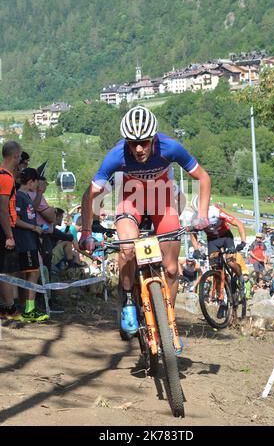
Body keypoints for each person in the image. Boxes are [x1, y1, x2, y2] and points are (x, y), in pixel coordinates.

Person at [80, 105, 211, 346]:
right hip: (131, 202)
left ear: (153, 138)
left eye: (144, 142)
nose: (138, 148)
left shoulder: (169, 147)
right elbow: (91, 194)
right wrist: (86, 232)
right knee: (128, 249)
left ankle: (167, 320)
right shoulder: (117, 155)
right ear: (125, 141)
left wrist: (202, 215)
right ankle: (129, 300)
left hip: (163, 202)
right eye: (132, 143)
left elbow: (203, 177)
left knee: (172, 269)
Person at [191, 197, 247, 318]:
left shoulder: (215, 211)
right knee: (216, 270)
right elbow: (193, 234)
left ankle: (240, 277)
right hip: (212, 241)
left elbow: (238, 223)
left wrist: (242, 242)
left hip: (226, 237)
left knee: (231, 262)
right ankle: (223, 301)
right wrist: (196, 249)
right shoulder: (194, 218)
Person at [14, 168, 49, 322]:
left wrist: (40, 193)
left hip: (31, 241)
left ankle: (29, 307)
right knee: (31, 273)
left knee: (32, 272)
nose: (37, 186)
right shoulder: (19, 197)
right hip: (24, 241)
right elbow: (15, 219)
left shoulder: (26, 196)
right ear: (30, 182)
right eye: (36, 183)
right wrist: (34, 228)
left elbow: (32, 209)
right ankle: (28, 309)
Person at [0, 141, 22, 320]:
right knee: (6, 271)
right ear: (14, 156)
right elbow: (2, 208)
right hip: (4, 229)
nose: (20, 160)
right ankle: (8, 309)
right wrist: (9, 235)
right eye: (19, 156)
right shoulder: (6, 177)